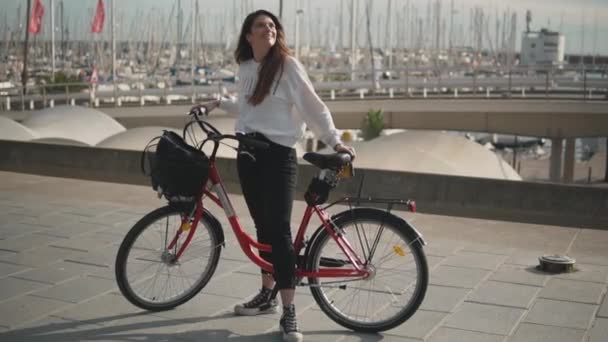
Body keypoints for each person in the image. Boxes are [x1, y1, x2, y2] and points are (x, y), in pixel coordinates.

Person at [193, 9, 355, 342]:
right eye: (260, 25)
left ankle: (289, 312)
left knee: (279, 232)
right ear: (248, 35)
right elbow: (248, 105)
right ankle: (266, 294)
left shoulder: (288, 66)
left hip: (279, 157)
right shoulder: (246, 67)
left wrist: (335, 139)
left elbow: (313, 107)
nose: (267, 29)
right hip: (248, 156)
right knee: (263, 228)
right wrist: (217, 104)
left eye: (272, 25)